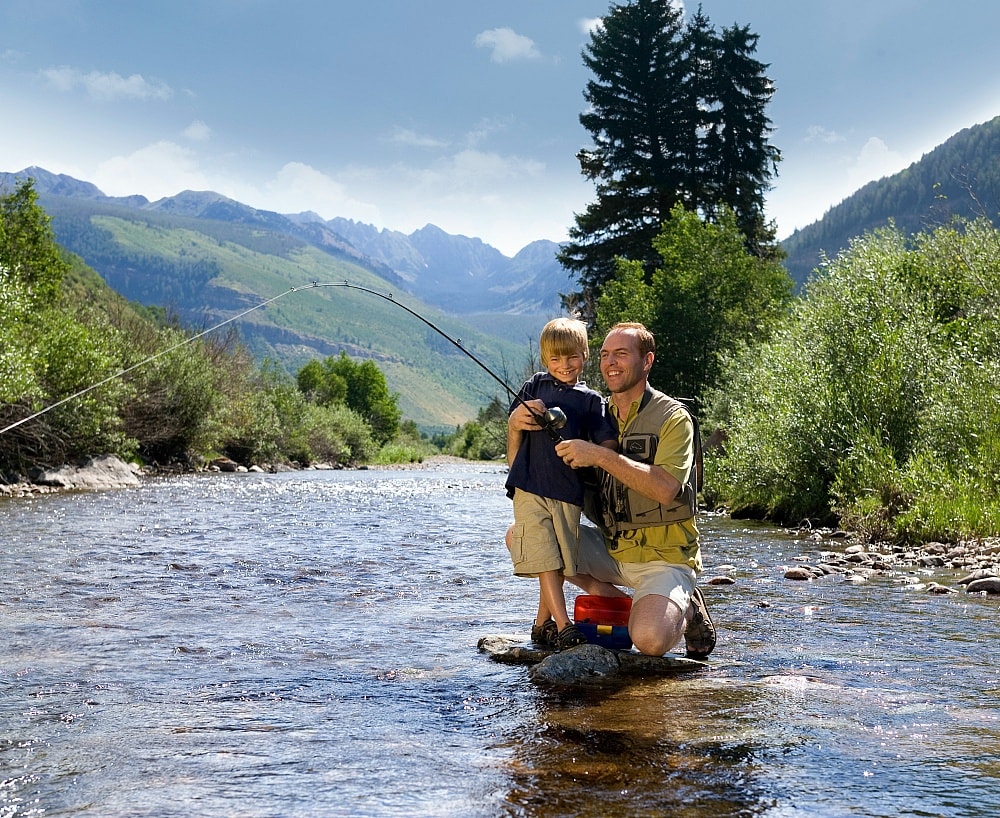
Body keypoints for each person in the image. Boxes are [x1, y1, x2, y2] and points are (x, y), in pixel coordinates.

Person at [508, 322, 716, 659]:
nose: (611, 363)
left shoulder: (673, 417)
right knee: (522, 535)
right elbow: (522, 469)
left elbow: (665, 489)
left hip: (664, 557)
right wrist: (515, 427)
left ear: (647, 361)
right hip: (612, 547)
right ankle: (645, 606)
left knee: (648, 641)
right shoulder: (589, 410)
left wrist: (600, 455)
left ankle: (686, 607)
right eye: (605, 355)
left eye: (621, 354)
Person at [505, 317, 619, 651]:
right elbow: (514, 429)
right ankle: (564, 624)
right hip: (529, 487)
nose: (564, 365)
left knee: (558, 558)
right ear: (544, 360)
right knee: (544, 554)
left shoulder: (591, 399)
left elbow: (607, 445)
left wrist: (590, 454)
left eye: (571, 357)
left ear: (584, 355)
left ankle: (541, 625)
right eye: (555, 359)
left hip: (569, 493)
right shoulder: (534, 386)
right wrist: (515, 422)